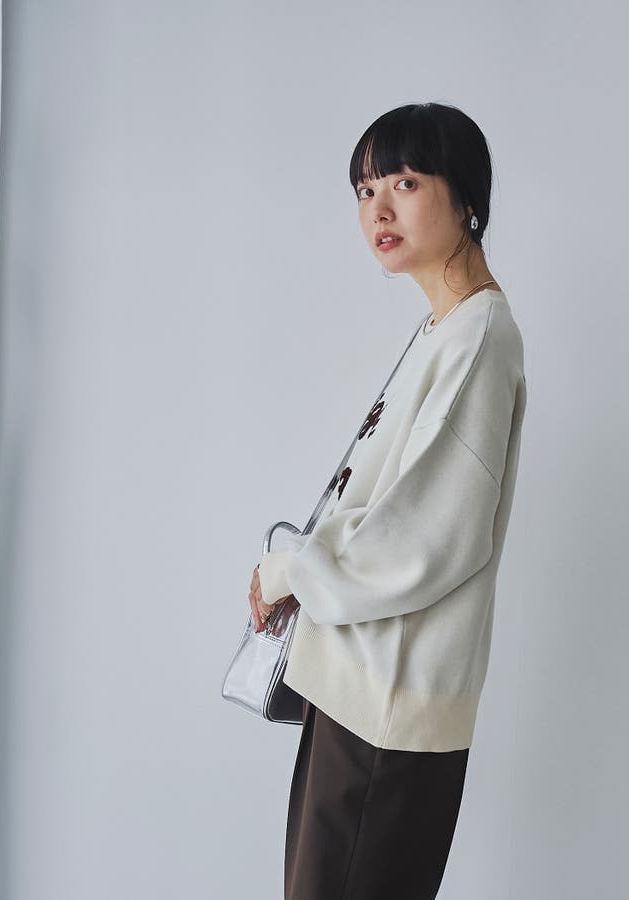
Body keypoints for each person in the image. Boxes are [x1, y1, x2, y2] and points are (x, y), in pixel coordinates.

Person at [247, 101, 527, 900]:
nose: (378, 210)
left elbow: (426, 540)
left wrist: (291, 569)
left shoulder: (479, 337)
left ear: (465, 195)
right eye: (365, 190)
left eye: (404, 183)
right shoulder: (447, 328)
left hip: (384, 713)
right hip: (361, 696)